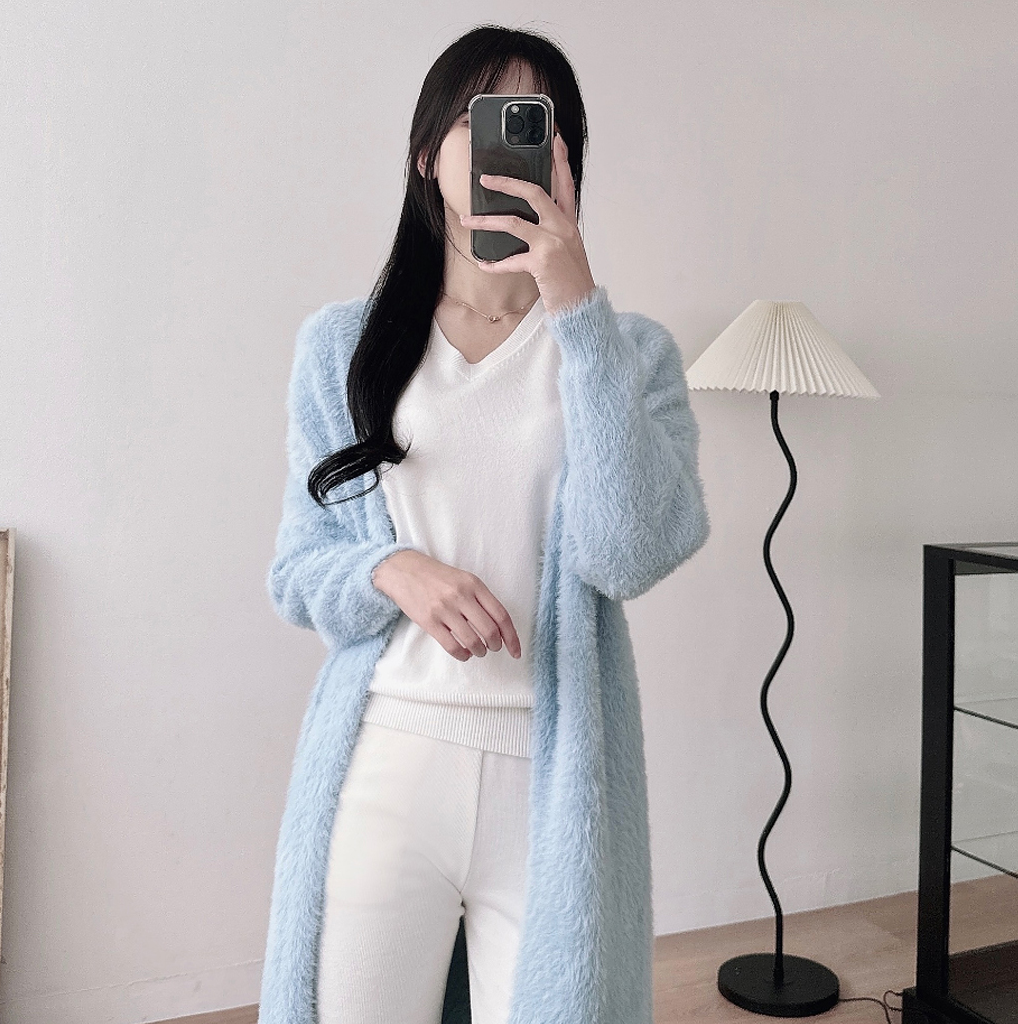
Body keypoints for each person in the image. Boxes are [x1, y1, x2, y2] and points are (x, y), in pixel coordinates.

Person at [260, 22, 711, 1024]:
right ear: (428, 154)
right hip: (388, 754)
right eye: (477, 119)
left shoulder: (628, 353)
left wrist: (576, 308)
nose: (501, 145)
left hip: (551, 778)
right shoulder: (344, 347)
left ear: (565, 157)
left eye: (531, 122)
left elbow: (628, 553)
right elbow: (298, 567)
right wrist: (392, 570)